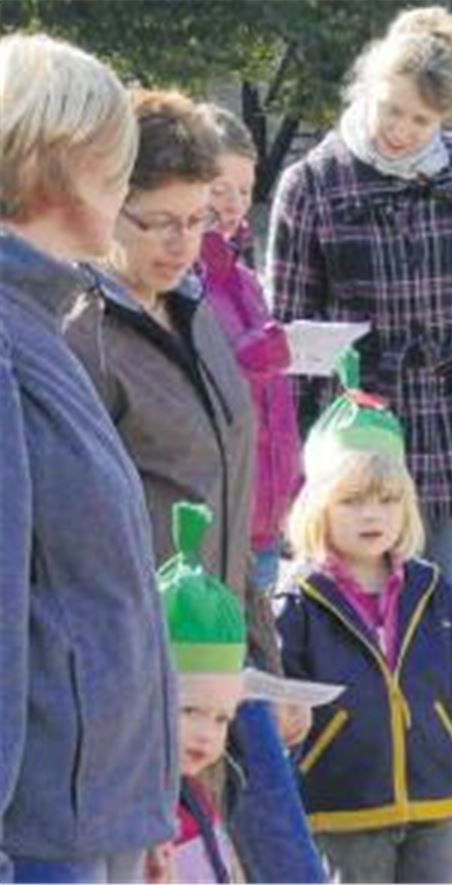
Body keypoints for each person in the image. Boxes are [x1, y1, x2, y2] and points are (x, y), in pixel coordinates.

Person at [267, 9, 452, 878]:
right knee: (358, 653)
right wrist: (299, 473)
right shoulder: (315, 181)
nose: (401, 130)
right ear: (367, 88)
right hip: (353, 443)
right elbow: (288, 336)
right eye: (391, 110)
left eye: (421, 121)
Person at [62, 89, 323, 883]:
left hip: (214, 654)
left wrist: (262, 656)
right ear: (108, 206)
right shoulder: (77, 331)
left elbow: (233, 502)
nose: (185, 243)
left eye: (200, 219)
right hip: (131, 676)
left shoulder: (199, 309)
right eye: (160, 222)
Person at [0, 32, 177, 883]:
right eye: (117, 155)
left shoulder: (41, 320)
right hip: (36, 829)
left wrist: (140, 804)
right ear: (63, 157)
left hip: (87, 810)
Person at [276, 351, 452, 883]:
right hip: (345, 804)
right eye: (352, 501)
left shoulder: (430, 589)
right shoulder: (300, 600)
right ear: (318, 507)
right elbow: (281, 704)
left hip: (434, 798)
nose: (372, 514)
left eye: (387, 499)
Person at [200, 104, 301, 601]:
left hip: (264, 520)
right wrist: (256, 358)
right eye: (219, 189)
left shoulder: (243, 278)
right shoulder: (179, 279)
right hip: (217, 520)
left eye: (244, 190)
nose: (233, 204)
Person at [161, 502, 250, 884]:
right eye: (189, 710)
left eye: (221, 719)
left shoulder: (198, 797)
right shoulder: (137, 814)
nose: (206, 734)